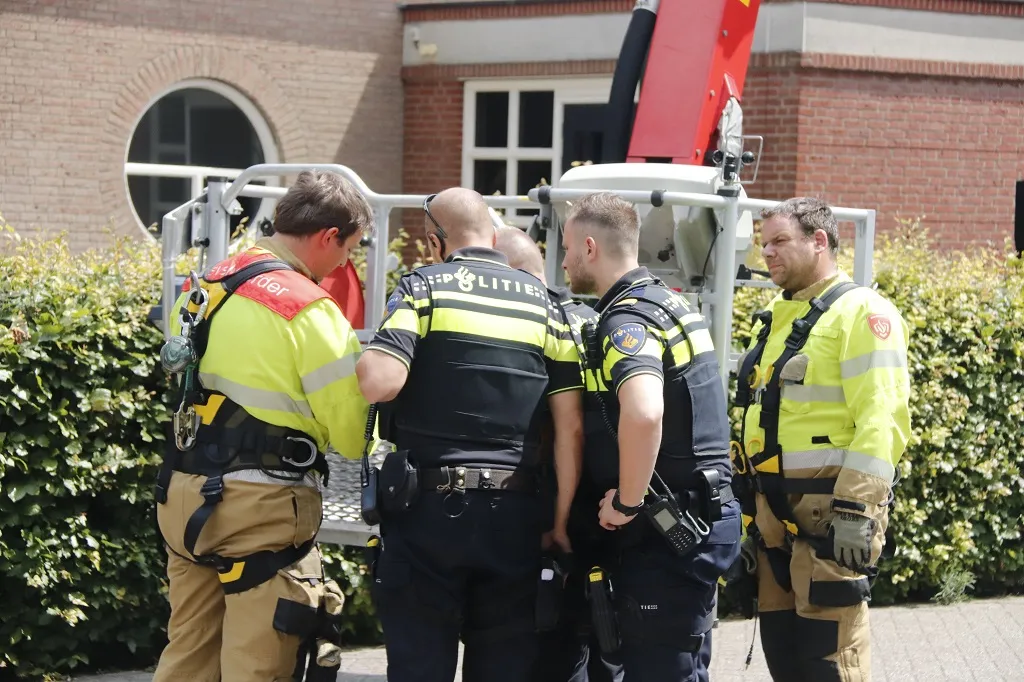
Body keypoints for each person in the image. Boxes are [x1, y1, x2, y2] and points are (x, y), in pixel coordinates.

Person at [354, 188, 585, 682]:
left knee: (420, 663)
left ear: (436, 242)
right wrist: (558, 521)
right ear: (496, 236)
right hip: (517, 514)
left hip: (428, 513)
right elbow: (570, 425)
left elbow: (381, 381)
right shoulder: (548, 306)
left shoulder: (423, 288)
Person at [152, 170, 373, 681]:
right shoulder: (310, 309)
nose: (346, 263)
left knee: (188, 657)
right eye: (349, 249)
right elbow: (350, 431)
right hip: (261, 508)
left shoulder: (207, 285)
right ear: (327, 237)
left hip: (184, 496)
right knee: (259, 666)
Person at [559, 191, 742, 681]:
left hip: (666, 531)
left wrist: (627, 502)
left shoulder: (627, 320)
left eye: (567, 248)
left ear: (591, 247)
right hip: (697, 518)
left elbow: (642, 413)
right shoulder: (671, 304)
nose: (564, 260)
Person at [731, 197, 911, 681]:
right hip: (773, 528)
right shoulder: (772, 318)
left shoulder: (863, 313)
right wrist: (749, 516)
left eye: (780, 241)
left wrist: (856, 511)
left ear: (820, 241)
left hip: (832, 526)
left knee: (829, 666)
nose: (767, 253)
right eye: (763, 244)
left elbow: (883, 417)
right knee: (785, 662)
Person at [492, 226, 623, 682]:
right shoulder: (591, 319)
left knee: (550, 639)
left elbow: (561, 428)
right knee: (602, 634)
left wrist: (558, 520)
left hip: (550, 498)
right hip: (608, 497)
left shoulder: (529, 322)